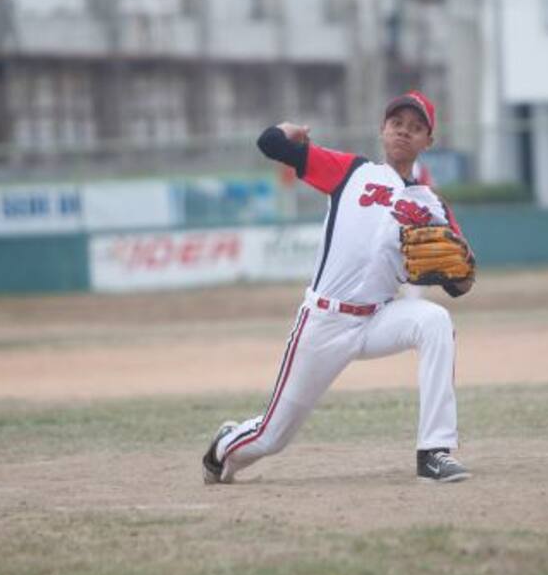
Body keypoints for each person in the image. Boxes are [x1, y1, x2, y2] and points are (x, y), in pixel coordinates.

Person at [202, 90, 475, 485]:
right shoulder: (351, 172)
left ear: (427, 142)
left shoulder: (432, 205)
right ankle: (224, 447)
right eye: (397, 124)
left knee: (434, 320)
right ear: (383, 130)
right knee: (271, 437)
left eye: (416, 128)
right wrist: (288, 130)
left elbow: (460, 281)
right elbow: (270, 144)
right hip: (324, 321)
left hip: (378, 318)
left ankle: (434, 453)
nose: (404, 132)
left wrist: (459, 274)